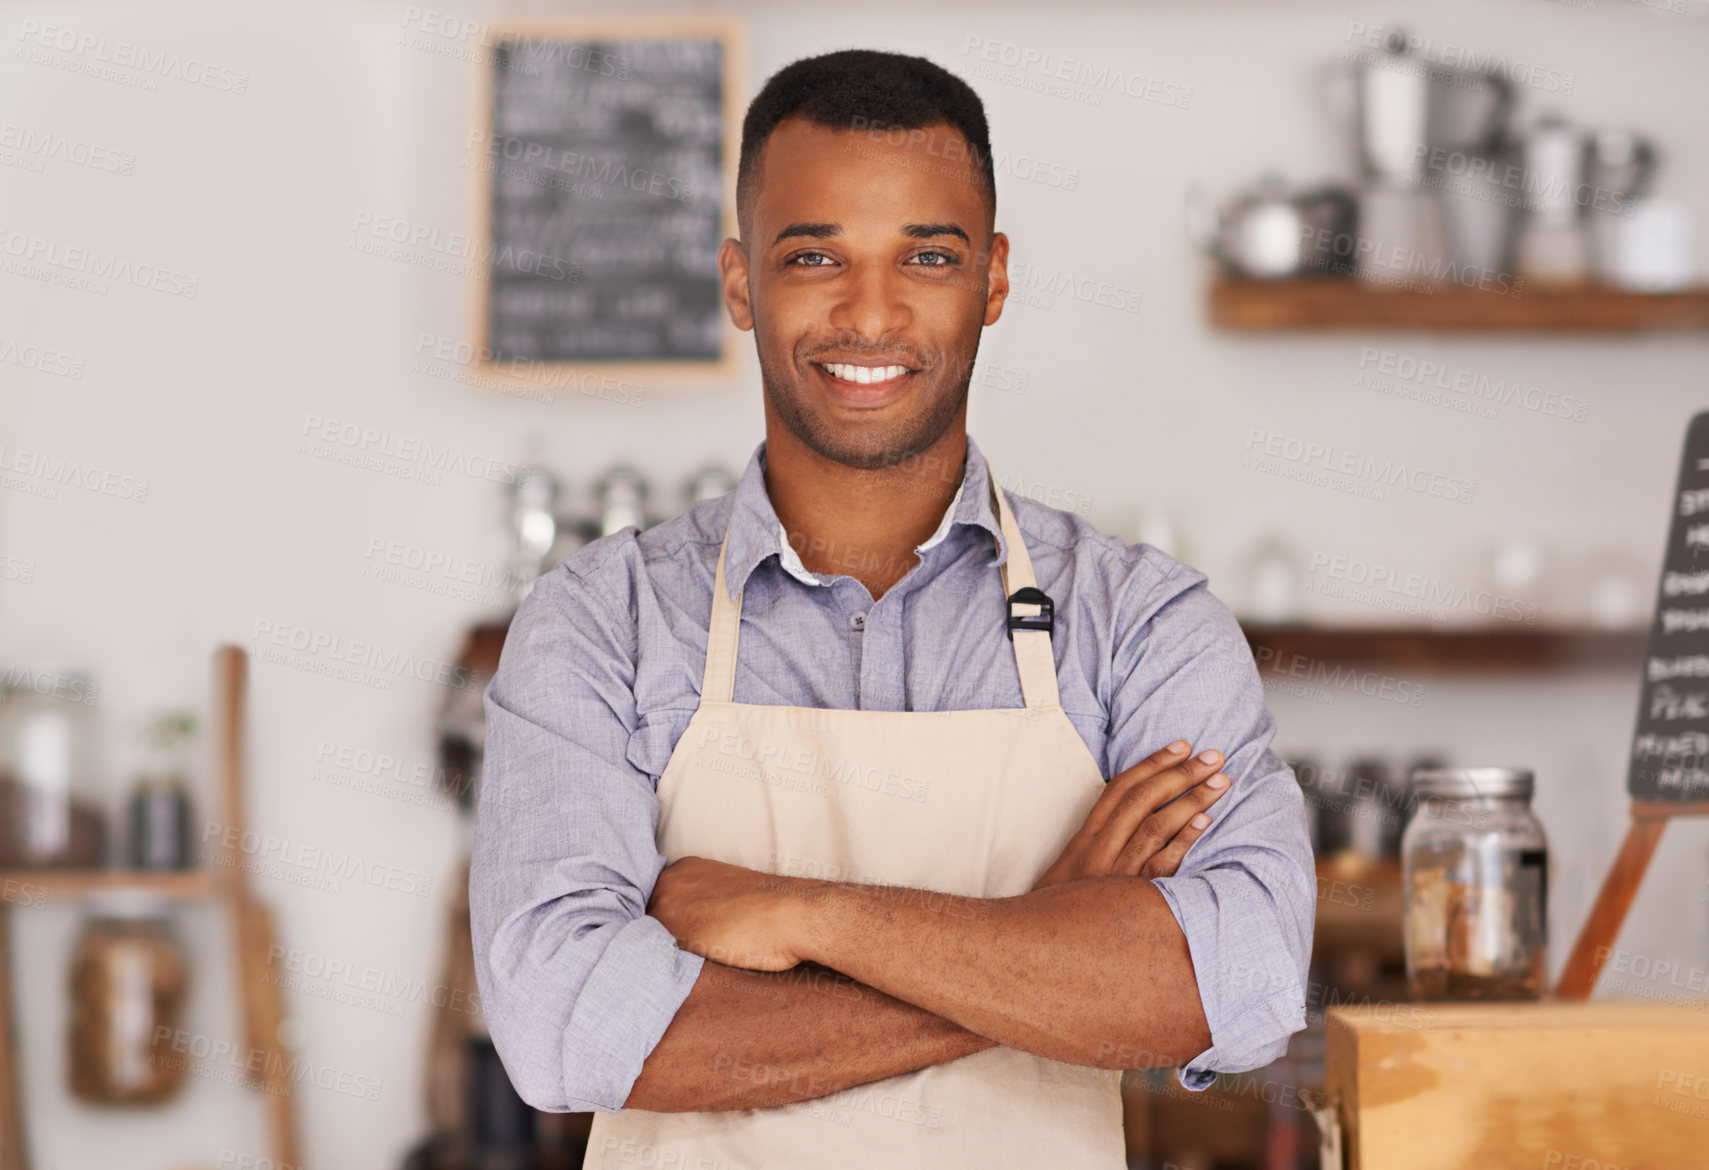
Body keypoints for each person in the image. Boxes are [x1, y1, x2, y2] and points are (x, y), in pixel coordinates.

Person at [470, 48, 1313, 1169]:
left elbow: (1236, 981)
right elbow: (562, 1027)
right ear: (738, 283)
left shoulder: (1139, 621)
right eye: (813, 254)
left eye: (927, 256)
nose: (869, 313)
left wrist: (805, 917)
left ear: (993, 278)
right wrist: (1046, 932)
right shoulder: (598, 622)